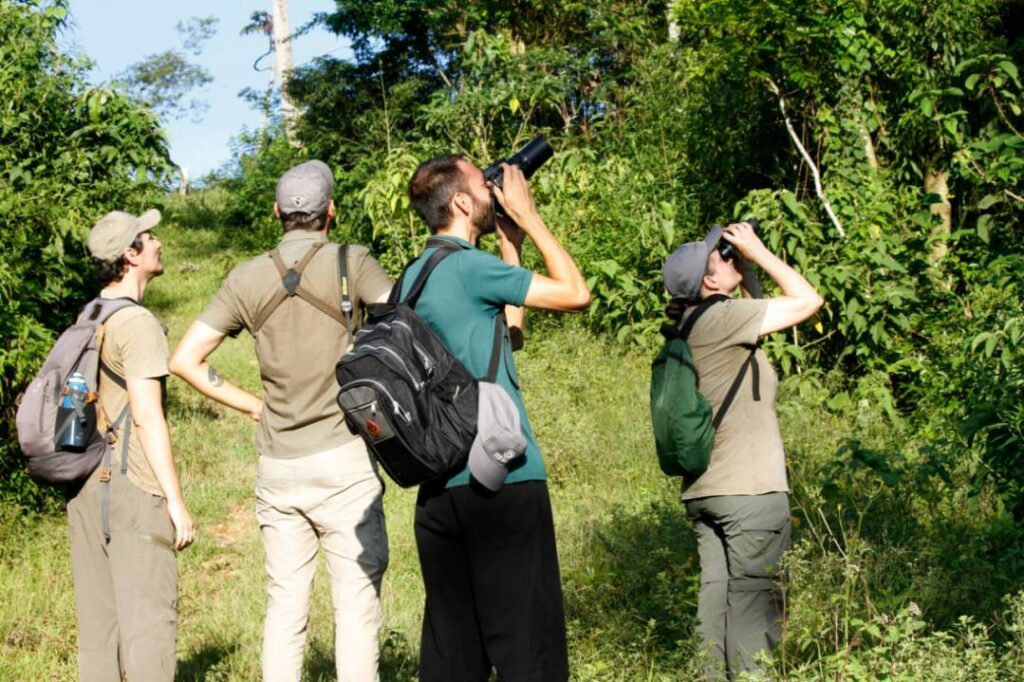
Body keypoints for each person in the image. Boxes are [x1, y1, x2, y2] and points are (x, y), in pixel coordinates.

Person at [169, 160, 393, 682]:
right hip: (345, 458)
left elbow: (184, 360)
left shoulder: (246, 278)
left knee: (285, 607)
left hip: (279, 465)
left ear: (277, 213)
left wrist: (255, 406)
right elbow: (405, 327)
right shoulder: (352, 261)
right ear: (330, 211)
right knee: (355, 606)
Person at [403, 154, 591, 681]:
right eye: (481, 187)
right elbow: (577, 294)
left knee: (455, 657)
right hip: (502, 482)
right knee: (528, 649)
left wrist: (510, 244)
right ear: (461, 202)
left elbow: (507, 337)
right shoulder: (468, 265)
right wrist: (530, 217)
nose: (493, 192)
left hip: (440, 490)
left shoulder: (416, 277)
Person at [661, 221, 823, 680]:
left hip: (706, 492)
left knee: (716, 609)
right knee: (754, 613)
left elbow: (760, 320)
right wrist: (762, 251)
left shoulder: (695, 323)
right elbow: (808, 301)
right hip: (749, 493)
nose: (733, 258)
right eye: (724, 257)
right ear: (710, 282)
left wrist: (745, 267)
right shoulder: (724, 319)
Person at [69, 209, 196, 681]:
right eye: (148, 235)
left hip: (85, 485)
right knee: (148, 628)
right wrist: (175, 502)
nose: (157, 240)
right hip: (132, 485)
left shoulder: (89, 314)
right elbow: (146, 415)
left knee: (100, 632)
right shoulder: (137, 324)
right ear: (131, 254)